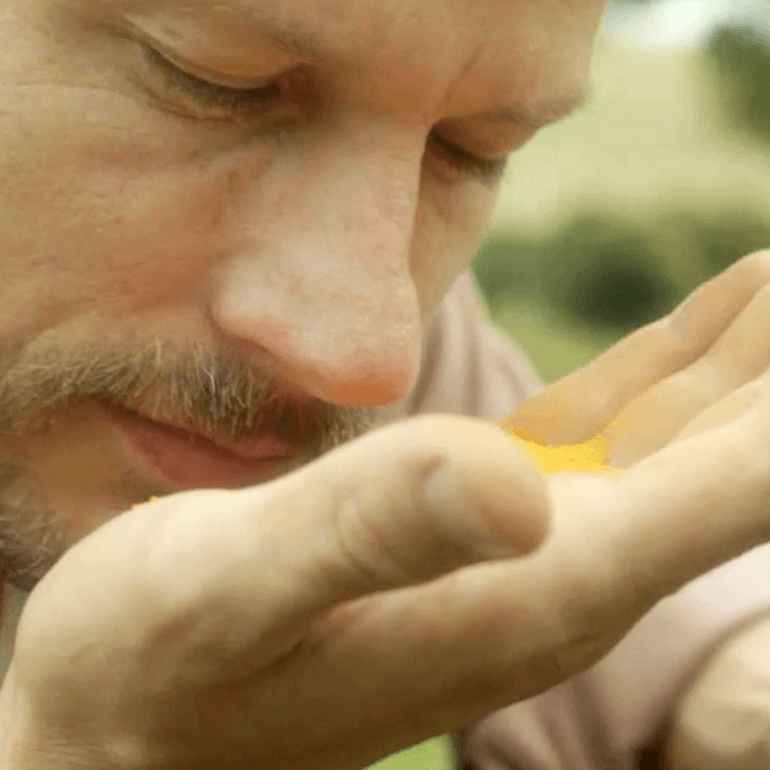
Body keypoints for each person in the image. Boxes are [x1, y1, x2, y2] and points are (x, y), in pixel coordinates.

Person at [0, 0, 769, 767]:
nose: (365, 361)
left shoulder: (393, 321)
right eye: (210, 84)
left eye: (471, 152)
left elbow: (687, 645)